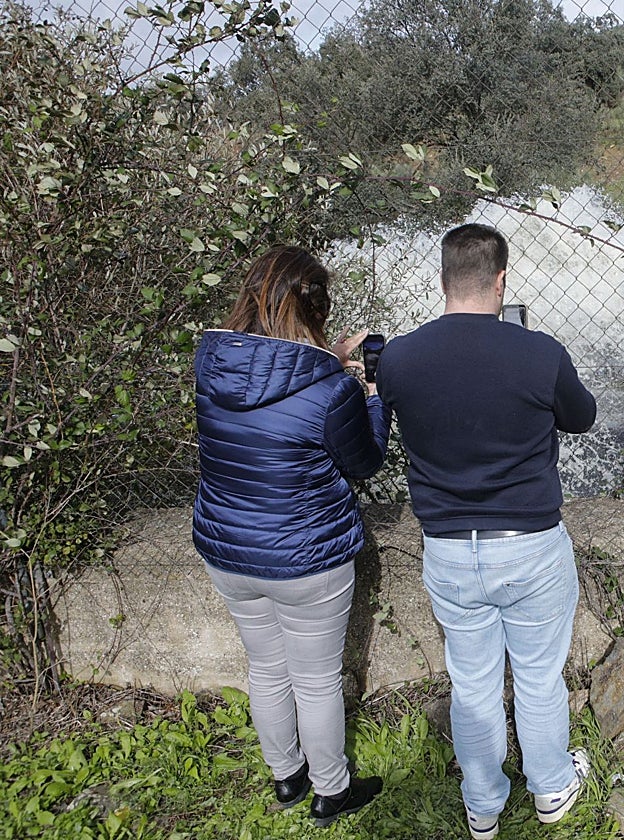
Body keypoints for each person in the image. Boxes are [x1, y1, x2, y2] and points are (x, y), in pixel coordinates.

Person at [375, 223, 597, 840]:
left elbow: (383, 414)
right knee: (537, 675)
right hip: (528, 545)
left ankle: (482, 803)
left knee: (471, 683)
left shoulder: (398, 357)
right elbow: (582, 418)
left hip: (447, 549)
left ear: (443, 280)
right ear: (501, 281)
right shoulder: (539, 353)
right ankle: (552, 788)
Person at [192, 245, 389, 828]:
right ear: (318, 307)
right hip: (306, 559)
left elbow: (267, 387)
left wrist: (327, 359)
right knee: (315, 678)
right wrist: (370, 397)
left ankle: (286, 778)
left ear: (253, 293)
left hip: (228, 551)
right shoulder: (330, 389)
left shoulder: (211, 364)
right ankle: (331, 790)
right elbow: (364, 462)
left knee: (267, 670)